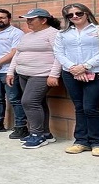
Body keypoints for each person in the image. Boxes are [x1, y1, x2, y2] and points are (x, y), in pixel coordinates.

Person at [53, 3, 99, 157]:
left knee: (90, 107)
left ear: (87, 13)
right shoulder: (62, 34)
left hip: (96, 72)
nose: (74, 17)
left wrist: (85, 66)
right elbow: (59, 53)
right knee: (79, 107)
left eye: (78, 13)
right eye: (70, 15)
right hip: (70, 73)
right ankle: (81, 141)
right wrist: (73, 68)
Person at [7, 8, 61, 149]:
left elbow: (60, 55)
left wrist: (54, 74)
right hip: (24, 74)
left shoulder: (53, 34)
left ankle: (36, 135)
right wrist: (10, 72)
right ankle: (46, 134)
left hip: (42, 74)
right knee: (38, 103)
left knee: (29, 102)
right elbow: (18, 54)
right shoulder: (27, 35)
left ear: (43, 20)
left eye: (31, 19)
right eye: (27, 19)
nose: (28, 22)